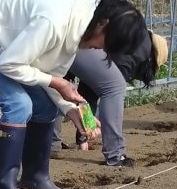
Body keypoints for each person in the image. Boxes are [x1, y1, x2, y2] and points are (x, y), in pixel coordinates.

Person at [0, 0, 150, 189]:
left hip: (3, 45)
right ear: (103, 24)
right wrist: (55, 82)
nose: (101, 50)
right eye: (106, 43)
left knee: (45, 105)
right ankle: (4, 187)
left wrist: (71, 109)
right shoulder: (55, 21)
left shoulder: (81, 22)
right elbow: (10, 64)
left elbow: (52, 75)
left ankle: (35, 177)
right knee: (18, 103)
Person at [61, 31, 170, 167]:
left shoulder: (135, 40)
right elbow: (94, 94)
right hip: (77, 44)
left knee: (54, 89)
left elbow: (88, 91)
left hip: (65, 41)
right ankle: (115, 155)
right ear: (151, 60)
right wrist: (83, 137)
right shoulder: (136, 54)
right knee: (114, 88)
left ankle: (52, 144)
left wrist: (82, 139)